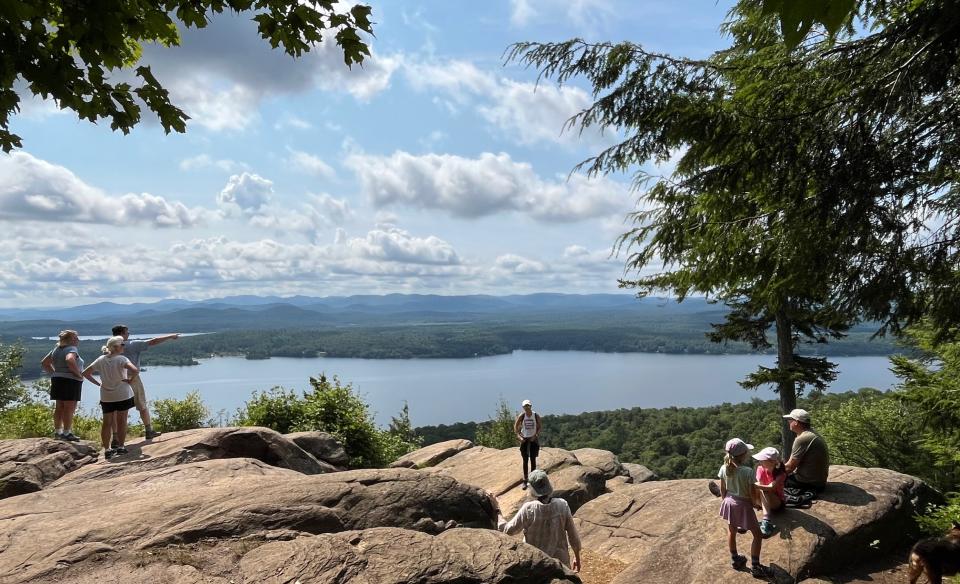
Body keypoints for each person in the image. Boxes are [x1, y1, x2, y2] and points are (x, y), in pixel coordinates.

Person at [493, 469, 582, 571]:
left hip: (536, 563)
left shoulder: (529, 508)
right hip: (561, 563)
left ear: (532, 490)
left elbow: (508, 530)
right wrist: (577, 558)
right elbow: (573, 536)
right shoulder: (562, 504)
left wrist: (497, 511)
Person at [111, 324, 180, 440]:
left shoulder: (109, 348)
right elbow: (153, 341)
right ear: (122, 334)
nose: (129, 334)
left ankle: (115, 438)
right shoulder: (132, 345)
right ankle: (149, 430)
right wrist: (170, 336)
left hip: (116, 379)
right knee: (141, 404)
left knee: (119, 409)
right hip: (132, 377)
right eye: (127, 332)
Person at [717, 438, 772, 578]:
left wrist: (726, 502)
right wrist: (756, 504)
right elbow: (752, 493)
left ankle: (735, 560)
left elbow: (723, 490)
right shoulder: (748, 472)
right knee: (758, 535)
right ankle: (756, 567)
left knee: (732, 530)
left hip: (729, 502)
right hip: (744, 505)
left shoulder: (724, 468)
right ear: (743, 455)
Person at [82, 336, 138, 459]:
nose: (124, 346)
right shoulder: (122, 359)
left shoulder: (100, 359)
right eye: (122, 345)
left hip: (106, 395)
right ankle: (121, 447)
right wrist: (130, 380)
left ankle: (107, 450)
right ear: (116, 347)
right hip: (123, 394)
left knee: (107, 423)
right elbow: (135, 370)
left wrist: (99, 384)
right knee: (122, 421)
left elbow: (85, 373)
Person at [40, 330, 84, 442]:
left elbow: (44, 363)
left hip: (57, 380)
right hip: (70, 381)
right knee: (69, 408)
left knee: (59, 407)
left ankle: (58, 432)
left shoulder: (56, 349)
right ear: (69, 340)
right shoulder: (72, 349)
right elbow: (69, 360)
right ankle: (67, 433)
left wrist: (55, 373)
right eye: (76, 338)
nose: (78, 340)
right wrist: (78, 375)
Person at [782, 408, 830, 493]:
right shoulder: (811, 434)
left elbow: (790, 467)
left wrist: (772, 473)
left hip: (809, 483)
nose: (788, 422)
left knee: (774, 483)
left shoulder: (802, 439)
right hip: (818, 482)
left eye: (790, 420)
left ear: (796, 422)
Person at [752, 446, 786, 537]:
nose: (760, 462)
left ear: (772, 462)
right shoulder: (760, 469)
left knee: (764, 490)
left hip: (777, 504)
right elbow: (760, 484)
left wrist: (751, 485)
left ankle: (766, 521)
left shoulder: (780, 474)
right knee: (759, 488)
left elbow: (771, 487)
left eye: (762, 460)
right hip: (763, 502)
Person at [514, 399, 541, 489]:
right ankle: (525, 480)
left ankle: (533, 479)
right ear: (523, 407)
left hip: (533, 438)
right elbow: (516, 426)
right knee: (525, 460)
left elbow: (539, 427)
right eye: (525, 406)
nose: (527, 407)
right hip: (524, 439)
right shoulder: (522, 415)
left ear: (530, 406)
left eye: (528, 406)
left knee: (533, 459)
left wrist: (536, 435)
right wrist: (519, 436)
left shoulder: (535, 415)